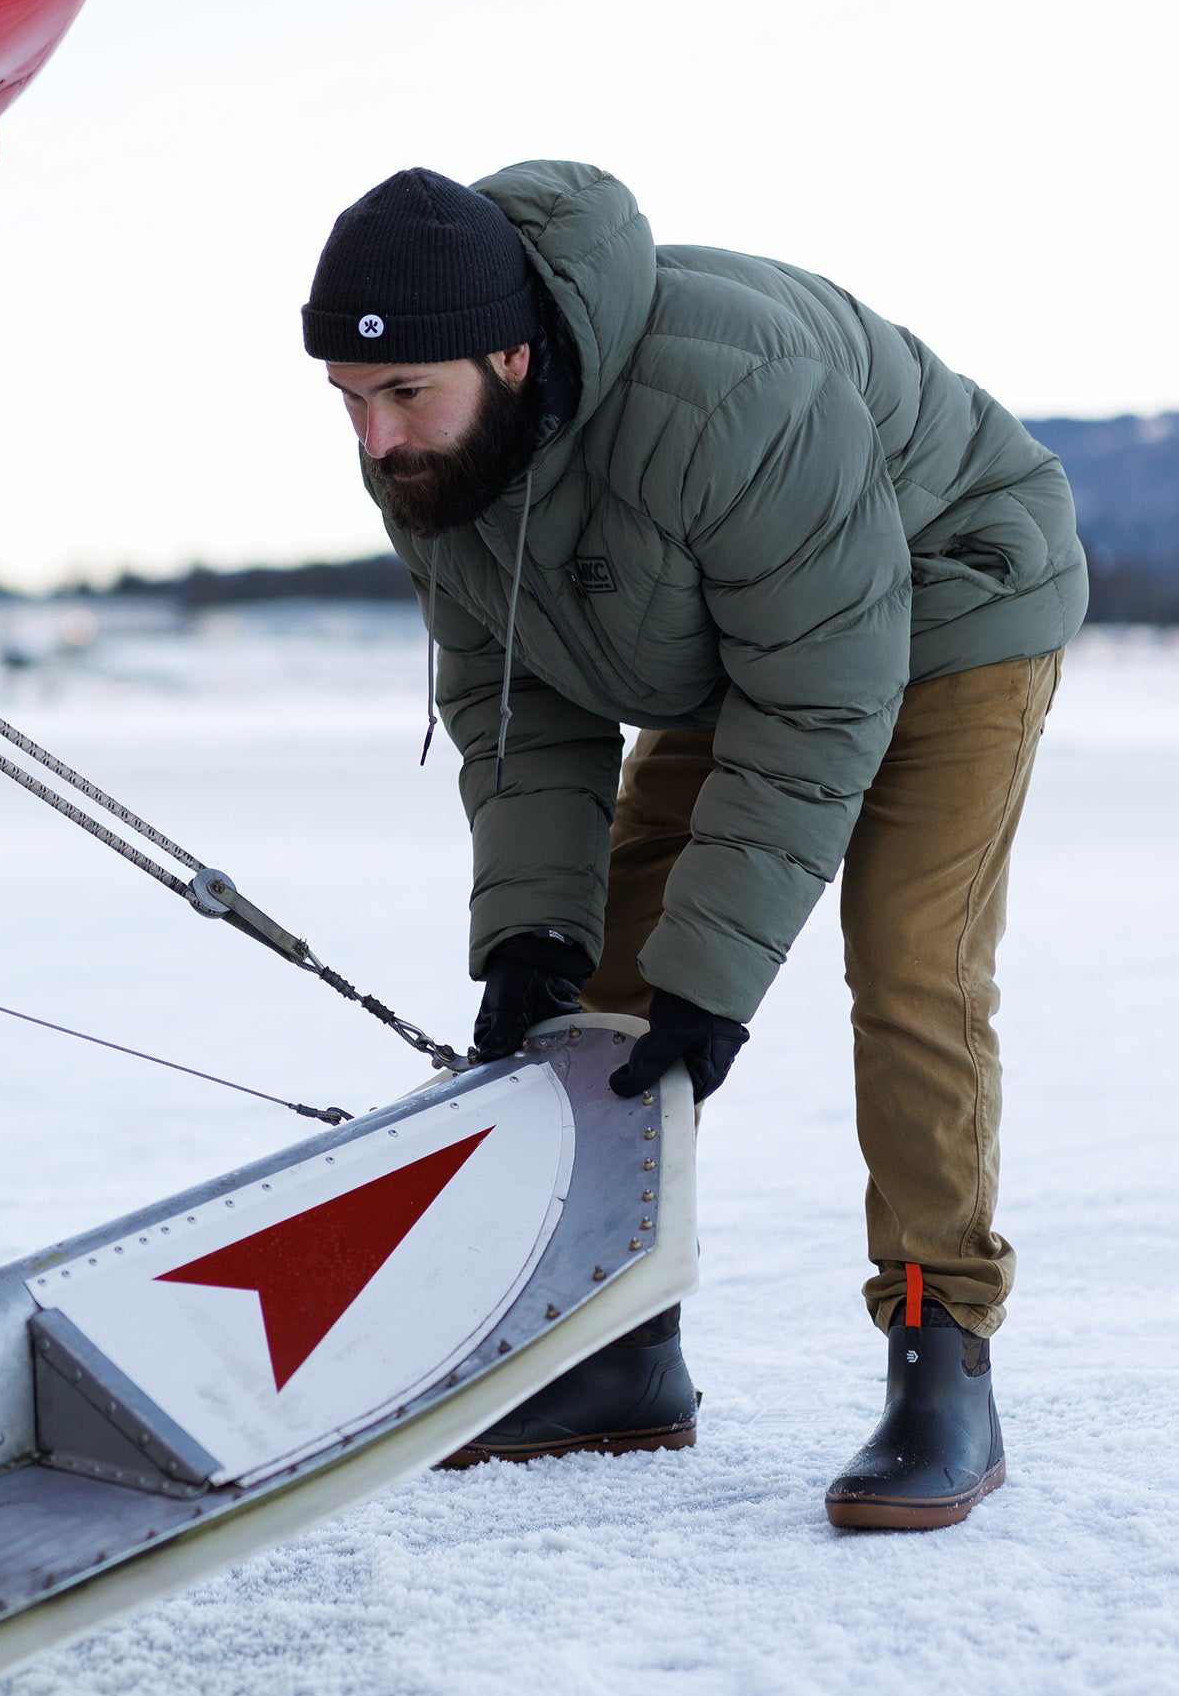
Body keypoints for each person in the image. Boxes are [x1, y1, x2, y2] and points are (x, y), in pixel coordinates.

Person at [304, 163, 1085, 1528]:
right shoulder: (439, 456)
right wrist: (536, 930)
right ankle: (620, 1348)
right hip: (761, 645)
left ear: (512, 349)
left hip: (956, 600)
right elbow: (516, 708)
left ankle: (940, 1351)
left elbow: (819, 699)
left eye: (404, 394)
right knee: (603, 977)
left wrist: (715, 980)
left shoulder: (728, 394)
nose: (378, 439)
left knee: (909, 969)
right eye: (352, 401)